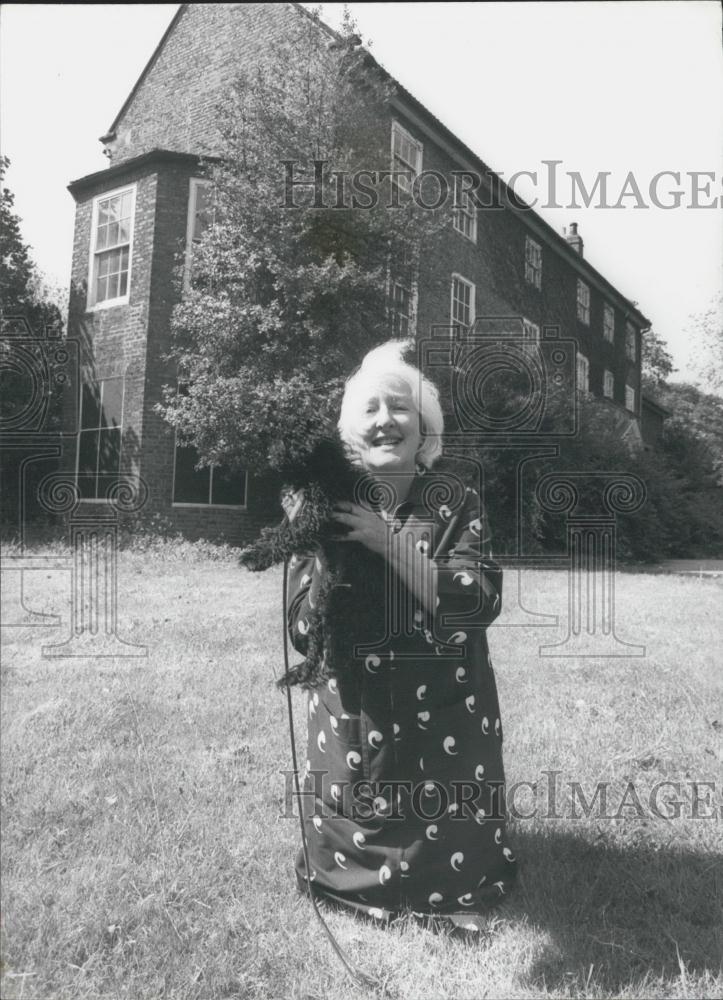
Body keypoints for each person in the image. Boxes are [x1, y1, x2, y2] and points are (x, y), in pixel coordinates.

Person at [286, 341, 516, 931]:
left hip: (446, 714)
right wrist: (321, 541)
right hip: (355, 719)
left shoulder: (457, 501)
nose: (386, 419)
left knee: (452, 817)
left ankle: (454, 886)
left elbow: (475, 602)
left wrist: (384, 539)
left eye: (401, 408)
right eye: (370, 409)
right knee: (356, 793)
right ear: (349, 432)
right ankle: (349, 882)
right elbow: (303, 631)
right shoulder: (323, 506)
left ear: (425, 430)